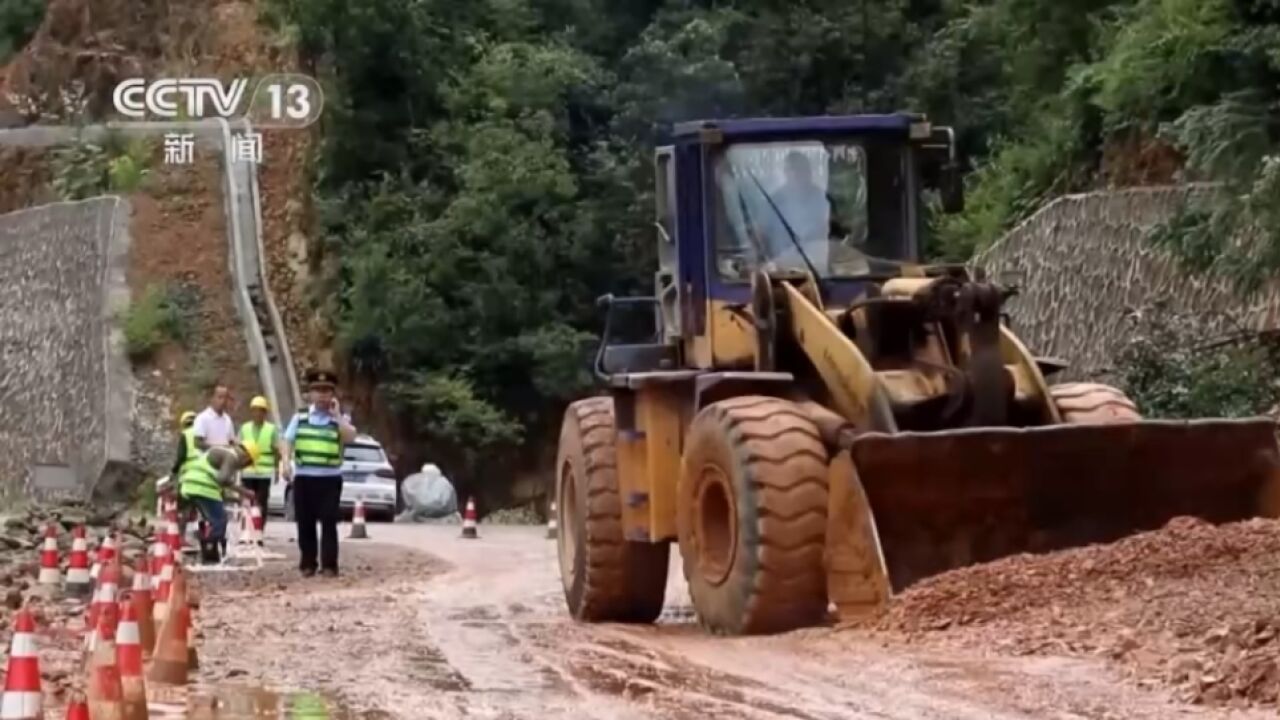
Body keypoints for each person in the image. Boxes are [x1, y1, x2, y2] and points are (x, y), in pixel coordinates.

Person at [282, 369, 357, 577]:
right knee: (305, 522)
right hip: (305, 477)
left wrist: (337, 416)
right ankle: (308, 563)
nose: (323, 395)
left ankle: (330, 565)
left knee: (328, 521)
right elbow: (287, 440)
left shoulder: (339, 420)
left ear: (333, 394)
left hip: (330, 479)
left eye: (327, 391)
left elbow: (351, 437)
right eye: (318, 391)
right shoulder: (300, 417)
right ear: (310, 394)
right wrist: (285, 461)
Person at [177, 440, 259, 564]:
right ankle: (209, 552)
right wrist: (244, 491)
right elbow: (222, 479)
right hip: (202, 488)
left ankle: (206, 548)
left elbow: (219, 489)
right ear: (246, 456)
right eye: (248, 464)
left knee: (211, 521)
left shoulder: (222, 452)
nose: (244, 467)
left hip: (190, 485)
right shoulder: (232, 457)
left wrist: (237, 499)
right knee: (220, 520)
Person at [761, 151, 831, 273]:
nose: (794, 174)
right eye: (790, 170)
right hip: (781, 270)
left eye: (799, 169)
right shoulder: (774, 200)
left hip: (817, 269)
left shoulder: (822, 199)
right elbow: (761, 232)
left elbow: (829, 229)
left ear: (808, 172)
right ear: (785, 173)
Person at [238, 395, 280, 536]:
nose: (257, 413)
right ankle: (246, 531)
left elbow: (276, 451)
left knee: (261, 502)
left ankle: (259, 530)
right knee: (247, 501)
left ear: (265, 412)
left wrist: (277, 469)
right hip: (248, 471)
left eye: (260, 410)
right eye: (255, 410)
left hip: (264, 472)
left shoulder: (271, 429)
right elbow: (238, 449)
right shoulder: (244, 428)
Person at [193, 383, 236, 451]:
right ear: (212, 398)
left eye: (225, 398)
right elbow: (198, 443)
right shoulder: (202, 418)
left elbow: (231, 442)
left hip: (226, 459)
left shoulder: (227, 419)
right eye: (220, 397)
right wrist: (217, 450)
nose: (223, 401)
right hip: (208, 459)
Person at [170, 410, 199, 479]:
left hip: (190, 471)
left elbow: (181, 456)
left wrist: (174, 471)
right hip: (205, 469)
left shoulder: (185, 434)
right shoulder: (203, 432)